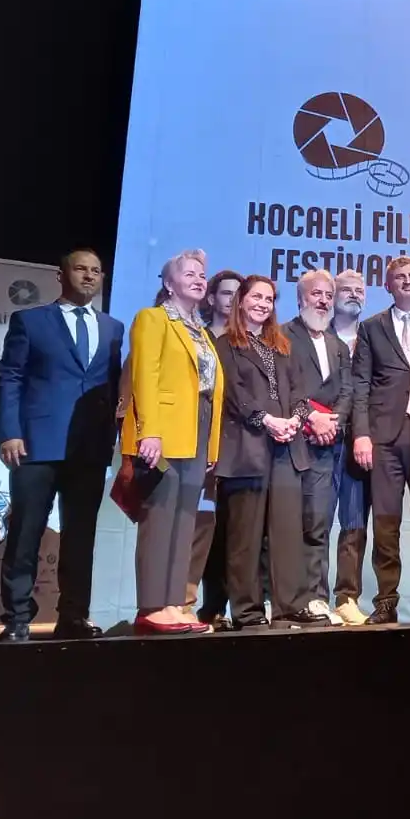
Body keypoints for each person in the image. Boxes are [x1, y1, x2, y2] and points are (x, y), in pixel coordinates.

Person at [0, 249, 123, 642]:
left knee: (81, 535)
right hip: (37, 443)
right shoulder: (31, 321)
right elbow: (10, 377)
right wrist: (9, 431)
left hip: (89, 447)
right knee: (26, 531)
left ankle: (73, 615)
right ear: (61, 274)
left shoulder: (113, 327)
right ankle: (17, 617)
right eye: (81, 268)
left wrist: (113, 437)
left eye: (96, 271)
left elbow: (113, 387)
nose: (89, 276)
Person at [215, 275, 327, 630]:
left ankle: (289, 606)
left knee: (287, 532)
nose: (263, 304)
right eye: (257, 297)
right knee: (245, 537)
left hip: (286, 449)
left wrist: (295, 419)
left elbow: (298, 392)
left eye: (269, 299)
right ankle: (247, 612)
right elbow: (234, 394)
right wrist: (267, 420)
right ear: (241, 300)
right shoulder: (225, 344)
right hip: (247, 450)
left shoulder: (281, 345)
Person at [121, 249, 223, 634]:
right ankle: (150, 606)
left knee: (184, 521)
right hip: (164, 430)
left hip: (197, 428)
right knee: (160, 517)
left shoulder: (201, 331)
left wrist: (211, 445)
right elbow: (144, 376)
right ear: (168, 283)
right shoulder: (153, 319)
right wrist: (150, 430)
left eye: (202, 274)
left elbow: (211, 390)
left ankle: (173, 603)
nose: (199, 279)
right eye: (189, 273)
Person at [350, 256, 410, 624]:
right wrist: (362, 434)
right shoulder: (371, 327)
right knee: (386, 522)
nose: (407, 281)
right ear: (388, 285)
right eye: (400, 277)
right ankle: (386, 600)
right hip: (384, 437)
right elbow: (360, 384)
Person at [282, 269, 352, 625]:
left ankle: (316, 597)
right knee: (284, 524)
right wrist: (311, 417)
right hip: (289, 443)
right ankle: (280, 599)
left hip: (325, 447)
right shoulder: (282, 336)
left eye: (328, 295)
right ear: (300, 299)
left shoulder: (339, 346)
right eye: (316, 294)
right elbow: (283, 387)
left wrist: (332, 423)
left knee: (318, 522)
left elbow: (347, 391)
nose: (323, 301)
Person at [180, 269, 241, 628]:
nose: (233, 300)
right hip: (198, 443)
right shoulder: (197, 336)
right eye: (226, 293)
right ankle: (185, 603)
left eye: (238, 293)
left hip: (238, 446)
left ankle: (220, 607)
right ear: (212, 298)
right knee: (199, 527)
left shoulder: (249, 341)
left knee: (231, 532)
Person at [326, 267, 371, 624]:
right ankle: (311, 595)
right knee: (315, 520)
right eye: (347, 289)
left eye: (359, 290)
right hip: (321, 440)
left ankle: (346, 597)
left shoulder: (371, 336)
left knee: (354, 522)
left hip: (360, 442)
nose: (354, 295)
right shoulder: (314, 335)